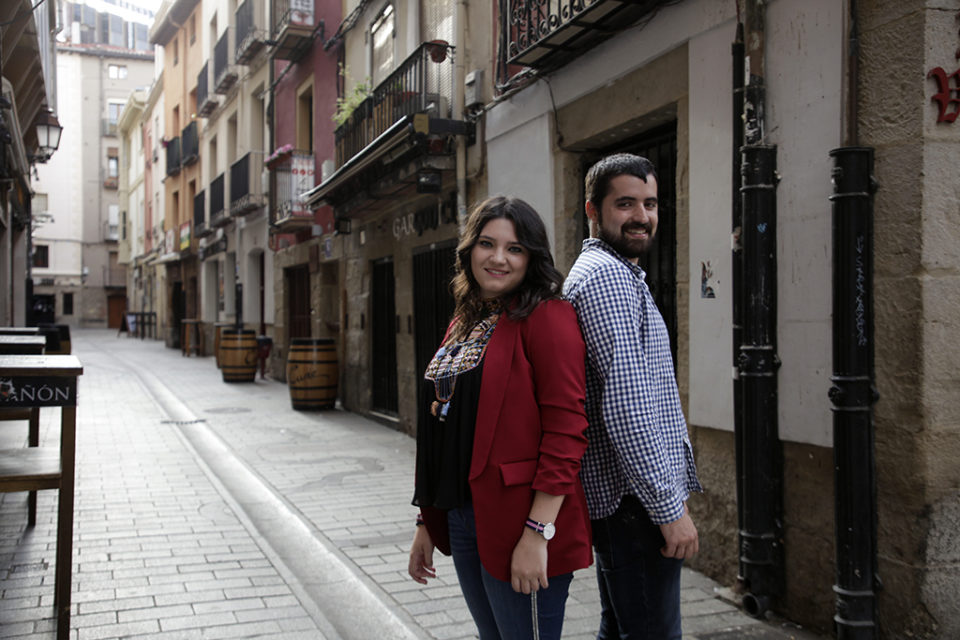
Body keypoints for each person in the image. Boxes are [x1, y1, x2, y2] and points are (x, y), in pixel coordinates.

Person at [408, 196, 593, 640]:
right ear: (469, 248)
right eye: (487, 243)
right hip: (463, 515)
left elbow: (567, 431)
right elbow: (444, 426)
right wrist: (425, 521)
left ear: (532, 257)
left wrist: (537, 533)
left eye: (514, 248)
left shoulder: (548, 316)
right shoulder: (464, 320)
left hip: (521, 521)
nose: (498, 258)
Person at [562, 153, 703, 640]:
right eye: (625, 203)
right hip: (635, 505)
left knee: (619, 629)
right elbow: (627, 406)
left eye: (651, 203)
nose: (642, 216)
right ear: (593, 210)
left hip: (626, 503)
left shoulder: (614, 274)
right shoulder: (607, 280)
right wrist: (669, 510)